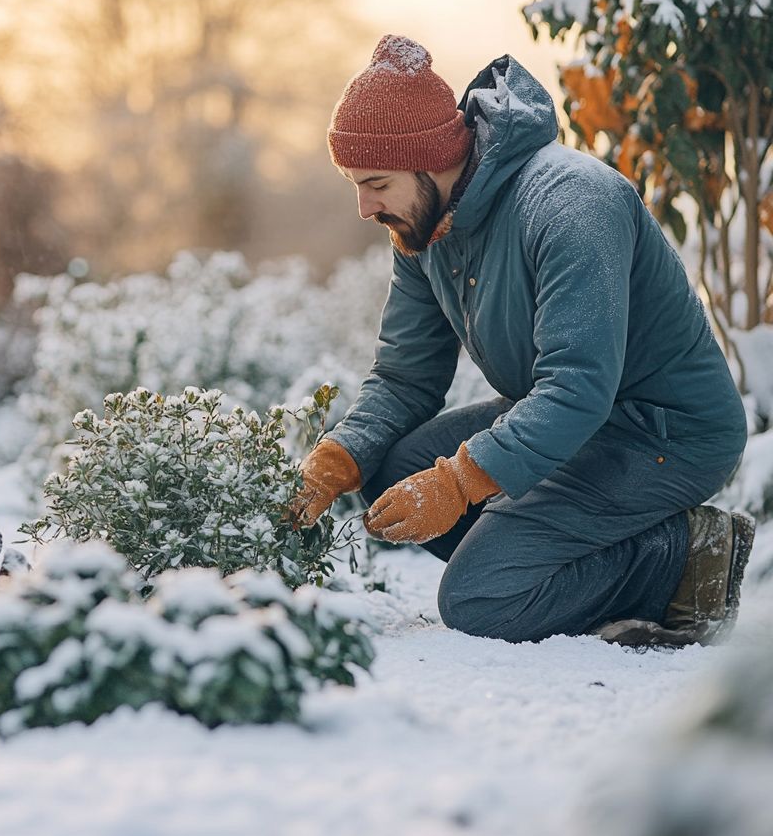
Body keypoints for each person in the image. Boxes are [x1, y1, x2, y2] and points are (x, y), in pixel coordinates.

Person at [289, 34, 755, 648]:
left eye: (375, 182)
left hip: (663, 431)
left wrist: (460, 482)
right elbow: (406, 377)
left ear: (430, 160)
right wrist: (338, 458)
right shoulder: (424, 227)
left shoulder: (569, 203)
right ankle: (560, 558)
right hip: (575, 418)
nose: (363, 206)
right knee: (392, 470)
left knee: (478, 598)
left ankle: (683, 556)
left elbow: (577, 388)